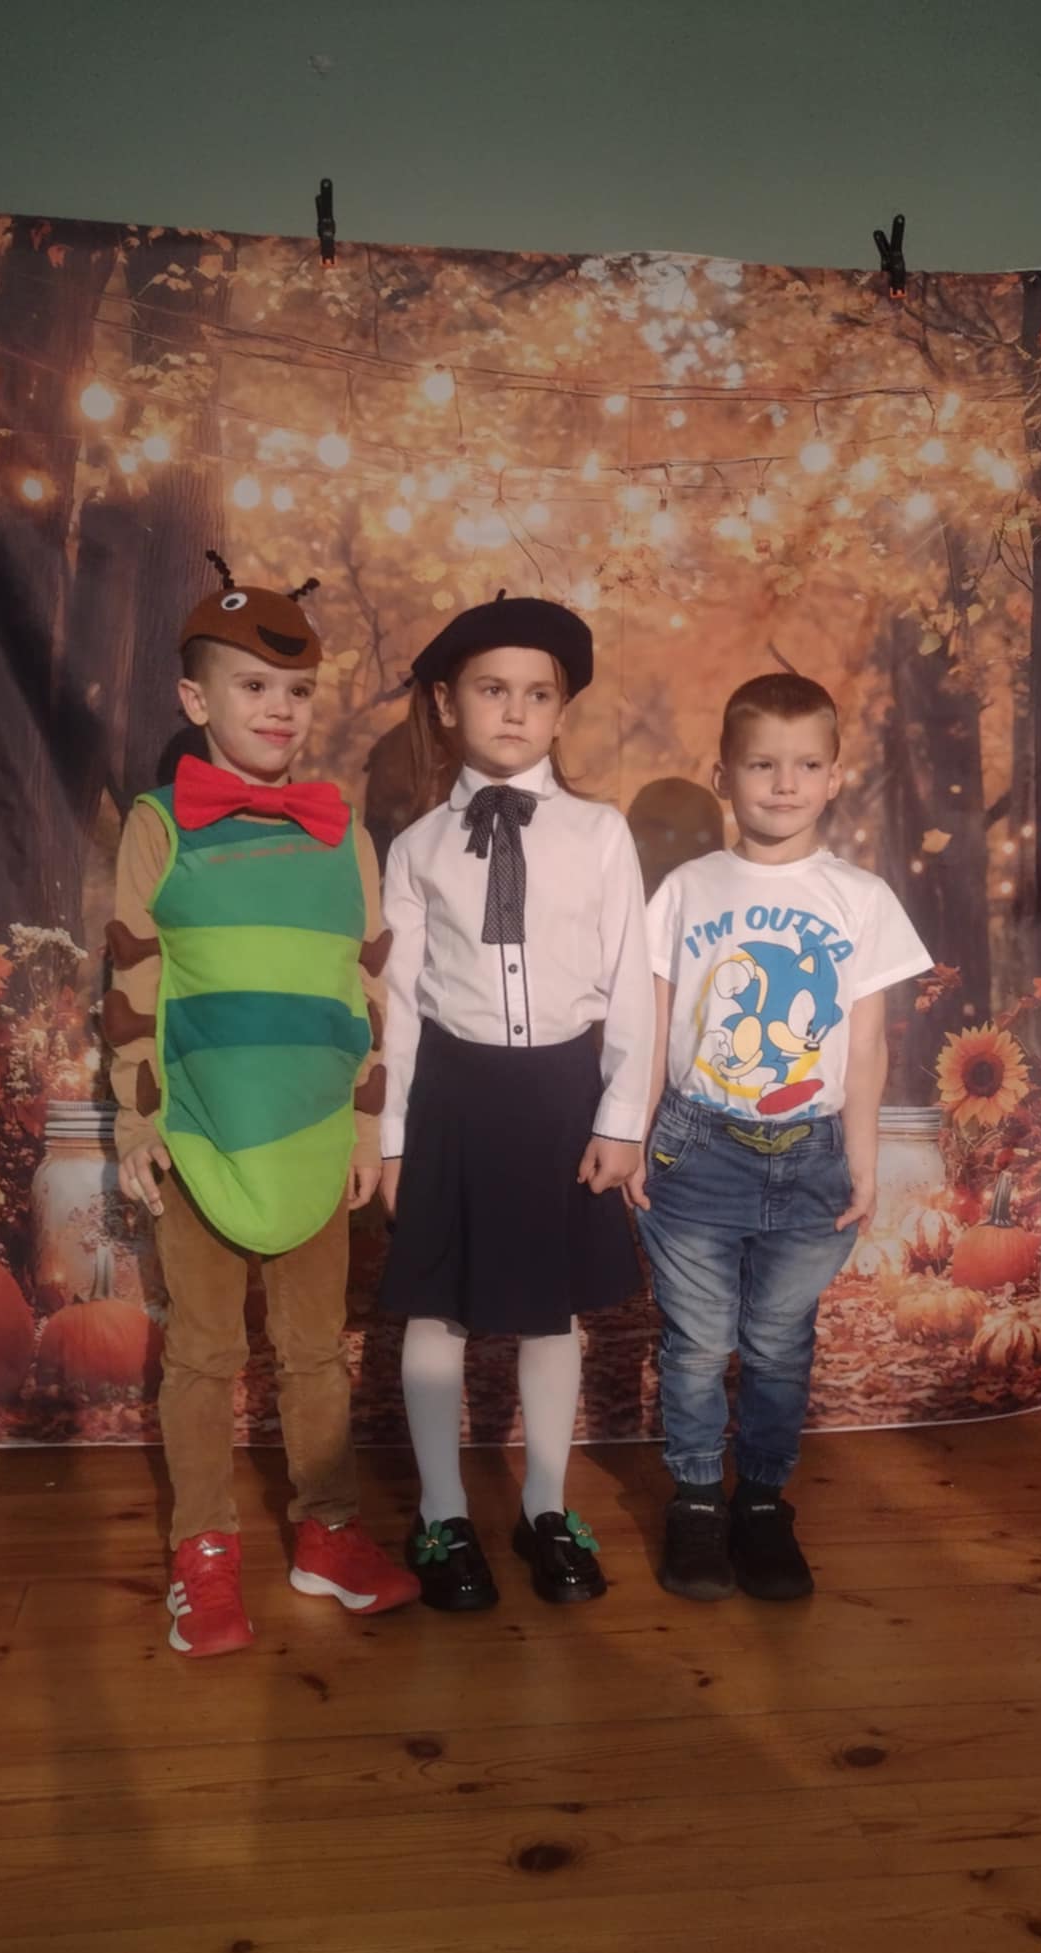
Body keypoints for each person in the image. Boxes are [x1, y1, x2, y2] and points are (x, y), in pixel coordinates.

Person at [107, 554, 419, 1658]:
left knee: (313, 1351)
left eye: (296, 691)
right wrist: (138, 1120)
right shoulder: (159, 824)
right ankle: (202, 1554)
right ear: (196, 700)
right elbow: (133, 978)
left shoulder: (347, 835)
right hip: (200, 1133)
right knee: (201, 1355)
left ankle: (326, 1535)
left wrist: (368, 1126)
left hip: (313, 1139)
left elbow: (367, 989)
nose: (279, 709)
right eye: (252, 687)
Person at [632, 673, 932, 1604]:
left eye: (806, 765)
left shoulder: (861, 897)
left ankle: (761, 1502)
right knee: (695, 1342)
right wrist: (635, 1133)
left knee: (776, 1342)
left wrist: (864, 1162)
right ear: (723, 776)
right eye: (762, 765)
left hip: (810, 1155)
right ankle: (695, 1500)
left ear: (835, 777)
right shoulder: (687, 890)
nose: (785, 784)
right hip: (697, 1145)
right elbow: (654, 1021)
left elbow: (868, 1044)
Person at [379, 594, 653, 1611]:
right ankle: (442, 1510)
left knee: (550, 1313)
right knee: (439, 1305)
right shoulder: (416, 848)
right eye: (493, 690)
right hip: (453, 1095)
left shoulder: (600, 833)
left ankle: (545, 1504)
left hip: (560, 1095)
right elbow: (399, 1004)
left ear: (560, 712)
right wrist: (394, 1138)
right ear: (448, 703)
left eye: (538, 695)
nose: (514, 710)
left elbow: (631, 984)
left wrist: (619, 1118)